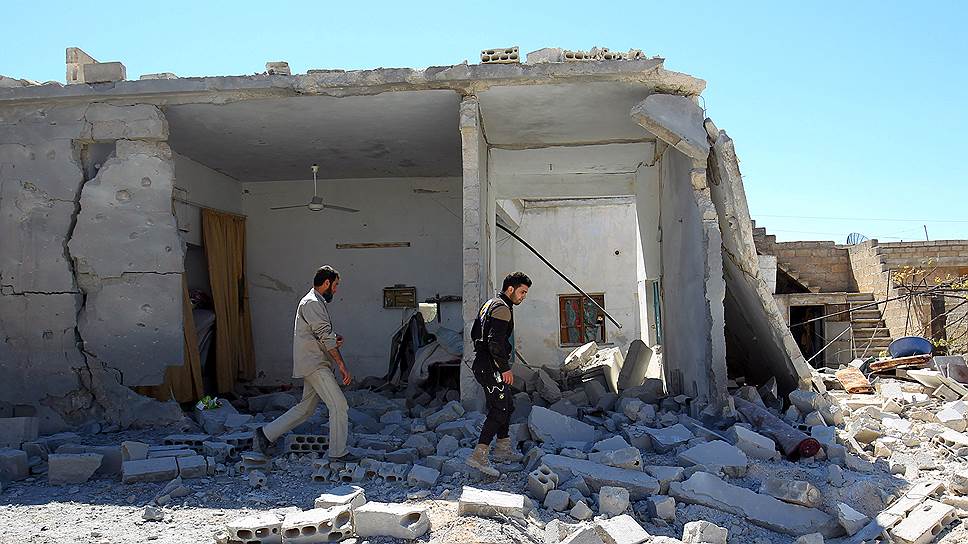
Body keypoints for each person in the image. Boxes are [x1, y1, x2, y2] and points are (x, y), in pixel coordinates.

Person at [254, 266, 354, 459]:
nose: (335, 290)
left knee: (305, 409)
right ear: (326, 283)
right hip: (315, 364)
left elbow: (319, 334)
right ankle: (337, 454)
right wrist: (341, 365)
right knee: (339, 405)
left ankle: (265, 434)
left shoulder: (314, 302)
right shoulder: (312, 303)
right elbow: (324, 335)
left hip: (313, 362)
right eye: (335, 285)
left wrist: (333, 339)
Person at [465, 271, 532, 476]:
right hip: (490, 367)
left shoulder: (490, 304)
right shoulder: (502, 308)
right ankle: (479, 455)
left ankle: (502, 448)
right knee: (499, 409)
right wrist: (504, 368)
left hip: (484, 364)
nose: (523, 297)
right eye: (522, 292)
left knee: (507, 405)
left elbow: (474, 333)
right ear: (510, 289)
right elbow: (495, 342)